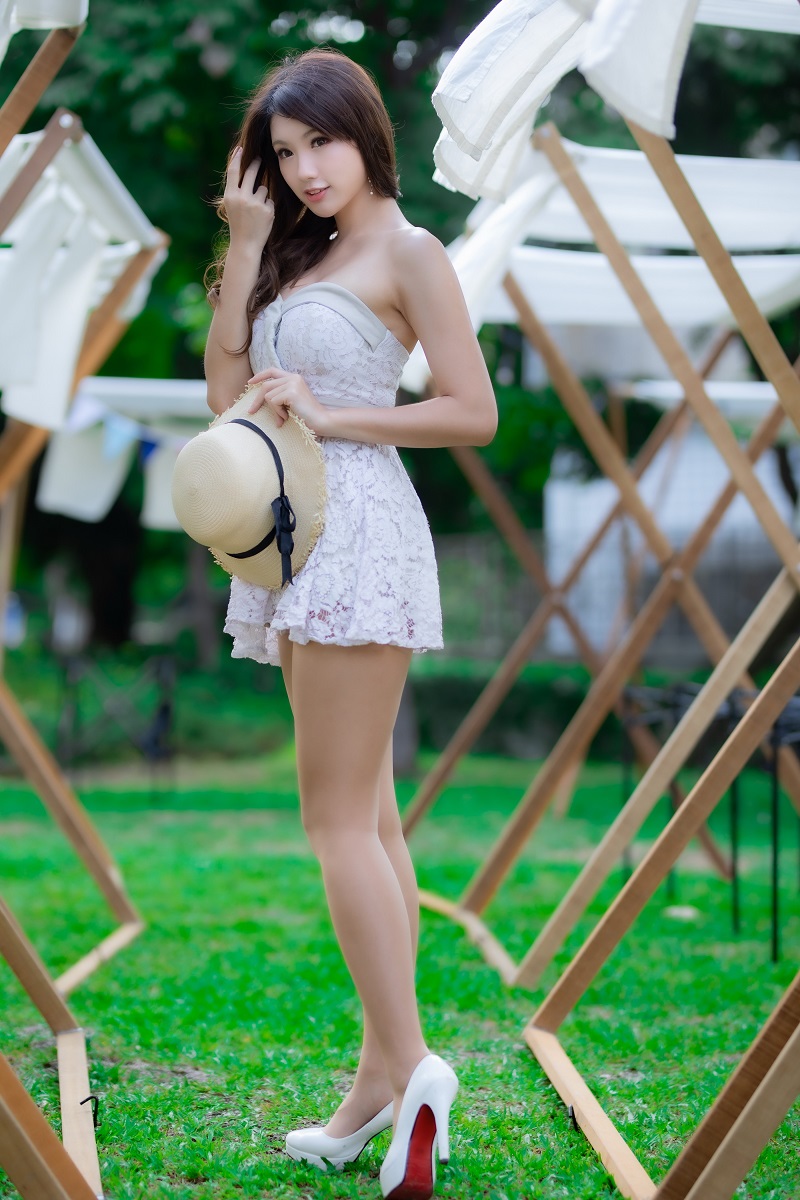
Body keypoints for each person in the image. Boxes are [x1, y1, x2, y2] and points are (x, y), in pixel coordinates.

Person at [204, 47, 497, 1200]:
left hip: (358, 527)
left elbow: (471, 411)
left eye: (318, 142)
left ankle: (413, 1066)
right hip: (293, 533)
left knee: (332, 820)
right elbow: (222, 395)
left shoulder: (409, 251)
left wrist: (332, 414)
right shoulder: (298, 255)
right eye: (283, 154)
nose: (303, 169)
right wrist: (242, 246)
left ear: (363, 133)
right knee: (369, 819)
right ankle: (376, 1086)